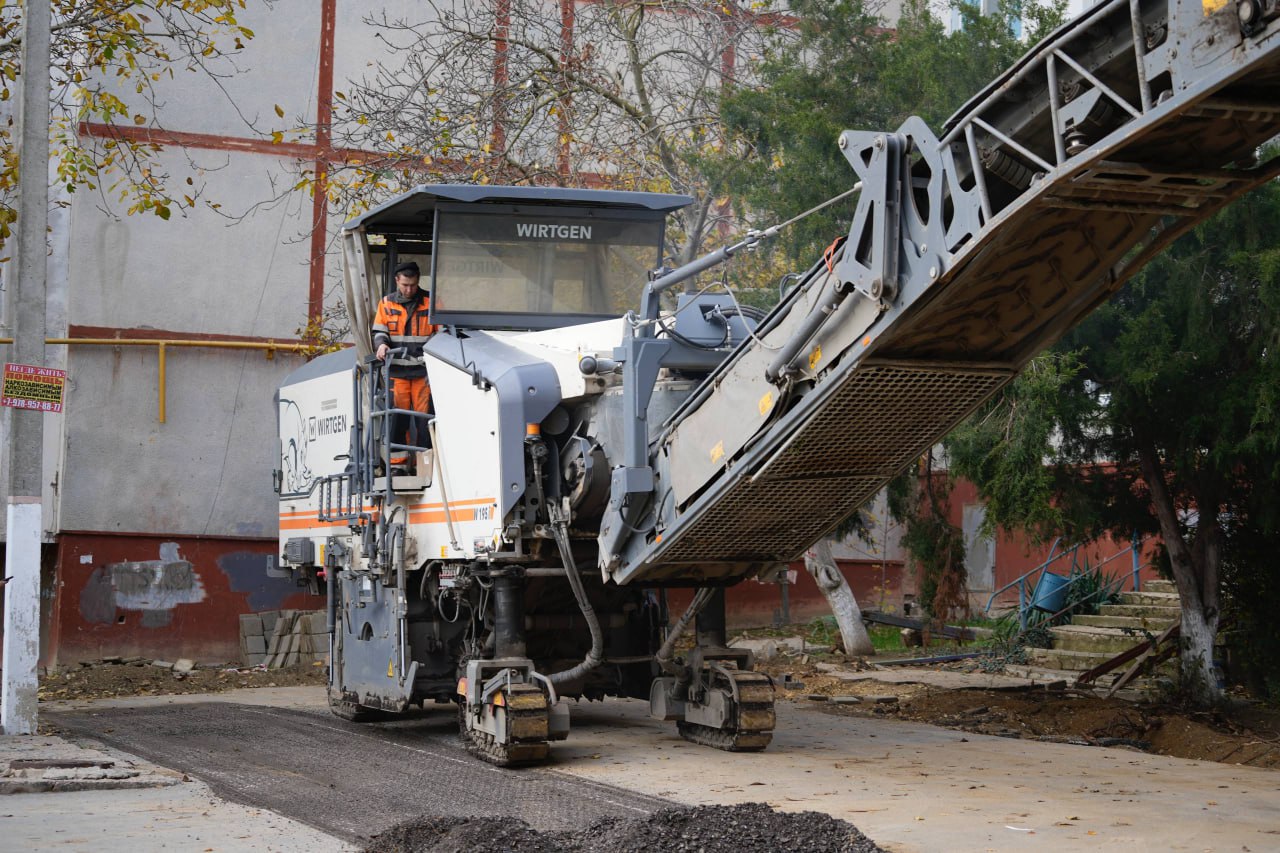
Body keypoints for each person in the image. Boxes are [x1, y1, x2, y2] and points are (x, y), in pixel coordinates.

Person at [372, 260, 438, 472]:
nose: (409, 289)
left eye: (413, 285)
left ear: (418, 281)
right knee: (397, 419)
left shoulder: (431, 302)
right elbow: (379, 331)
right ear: (396, 281)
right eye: (405, 285)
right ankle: (397, 466)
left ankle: (423, 464)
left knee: (424, 421)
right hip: (397, 372)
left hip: (423, 372)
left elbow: (442, 333)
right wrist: (381, 345)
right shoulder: (386, 304)